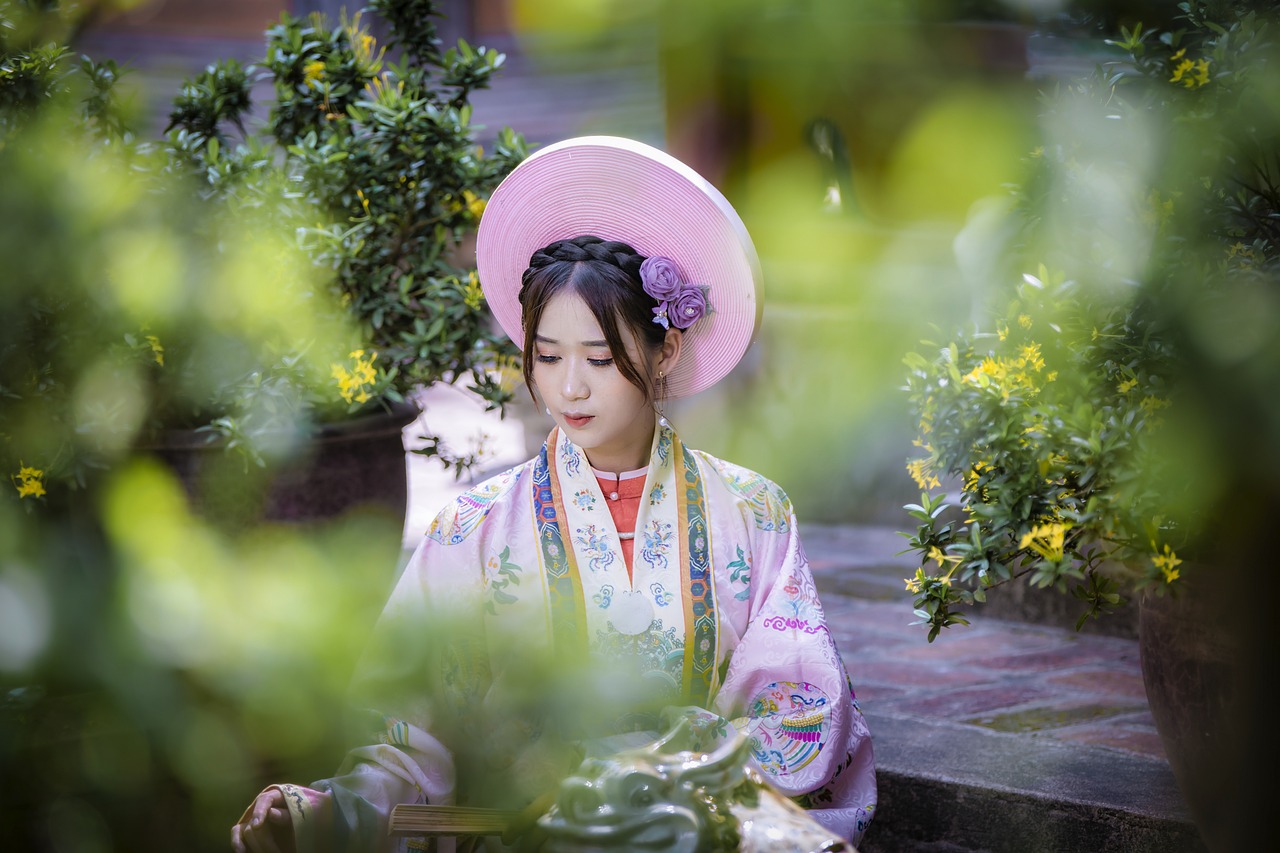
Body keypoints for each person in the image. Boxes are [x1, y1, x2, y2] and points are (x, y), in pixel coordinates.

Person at [231, 136, 876, 853]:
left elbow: (797, 706)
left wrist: (679, 779)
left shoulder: (755, 510)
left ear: (665, 349)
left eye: (599, 358)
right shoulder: (471, 527)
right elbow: (410, 731)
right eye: (547, 356)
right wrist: (332, 810)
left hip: (703, 823)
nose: (568, 387)